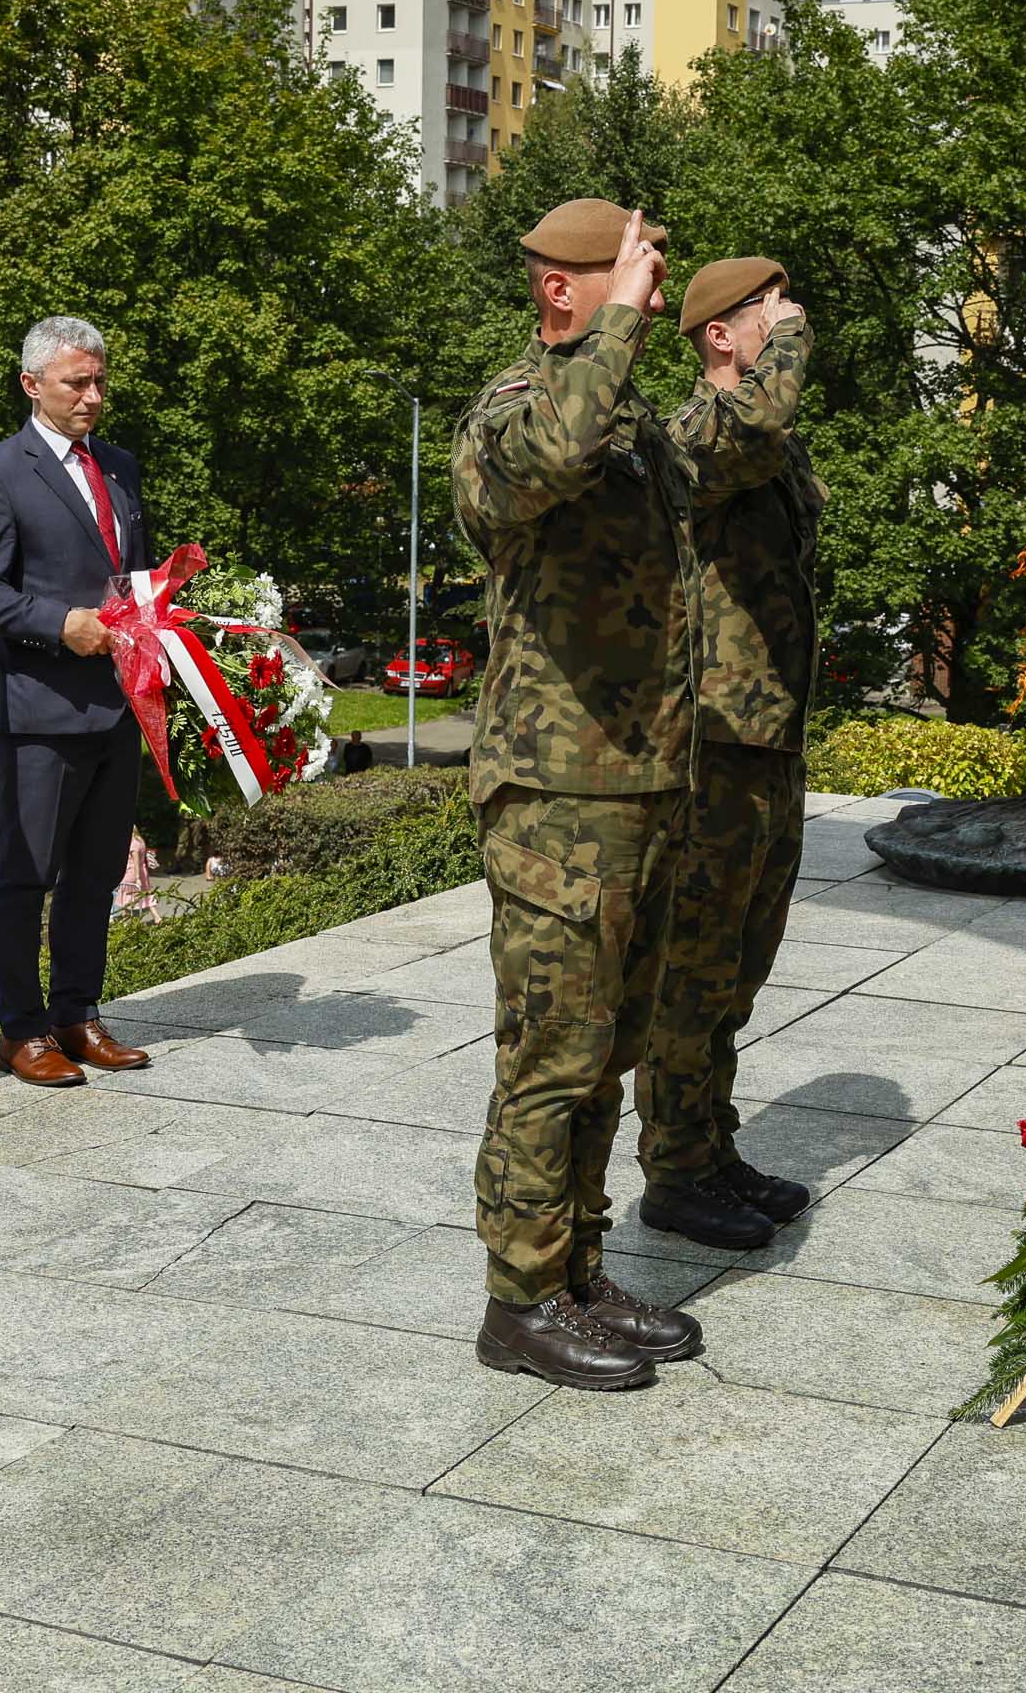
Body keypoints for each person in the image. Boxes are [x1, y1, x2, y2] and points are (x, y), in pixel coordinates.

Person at [451, 197, 707, 1391]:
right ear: (563, 288)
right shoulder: (513, 408)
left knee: (608, 1049)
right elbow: (549, 459)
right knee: (550, 1054)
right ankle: (519, 1299)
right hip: (554, 790)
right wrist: (619, 330)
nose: (649, 289)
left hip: (639, 779)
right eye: (627, 271)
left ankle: (579, 1268)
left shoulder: (628, 412)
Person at [637, 256, 821, 1251]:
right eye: (767, 311)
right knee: (694, 967)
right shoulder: (692, 437)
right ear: (720, 333)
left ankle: (711, 1146)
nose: (787, 321)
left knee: (741, 965)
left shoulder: (768, 445)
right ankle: (674, 1170)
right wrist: (792, 340)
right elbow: (753, 425)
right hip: (711, 741)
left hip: (767, 737)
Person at [0, 314, 158, 1088]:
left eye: (100, 381)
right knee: (26, 874)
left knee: (96, 872)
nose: (93, 396)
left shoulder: (121, 467)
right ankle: (21, 1031)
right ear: (32, 384)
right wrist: (59, 624)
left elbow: (138, 578)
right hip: (42, 708)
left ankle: (78, 1014)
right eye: (77, 383)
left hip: (120, 704)